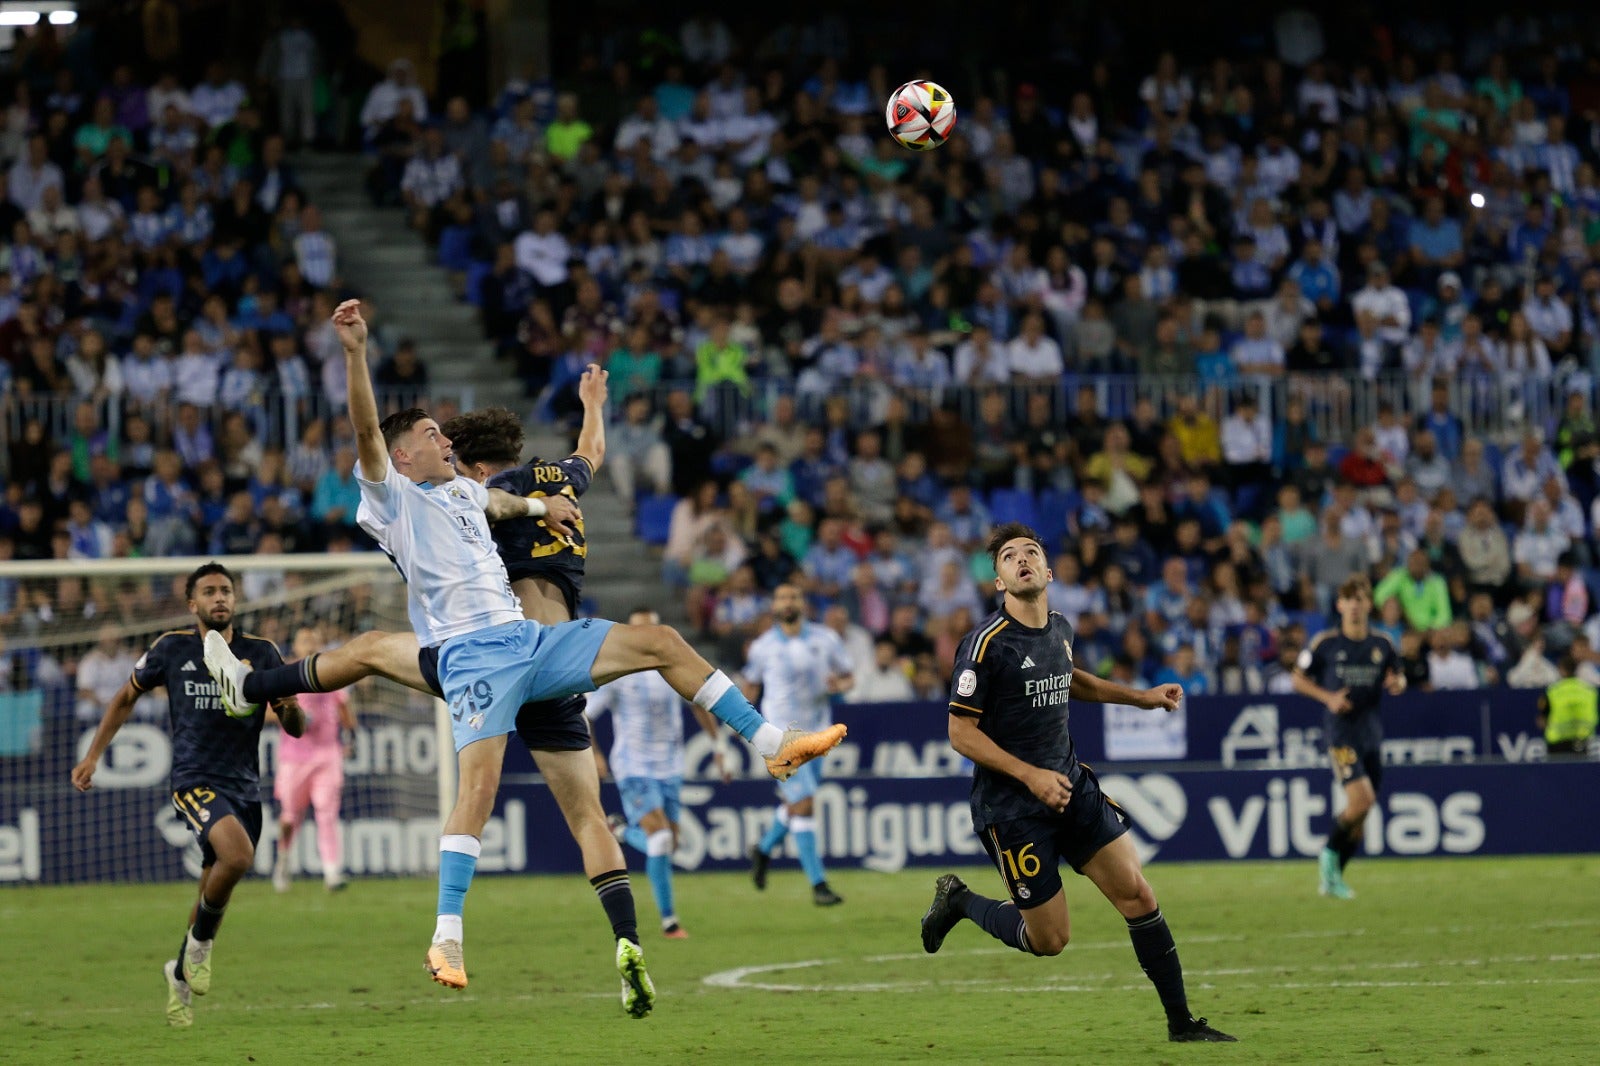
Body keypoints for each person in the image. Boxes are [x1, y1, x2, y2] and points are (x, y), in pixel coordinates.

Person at [204, 301, 843, 1007]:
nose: (441, 438)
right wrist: (356, 354)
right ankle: (447, 935)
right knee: (472, 788)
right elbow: (365, 430)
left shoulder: (468, 494)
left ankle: (771, 742)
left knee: (659, 641)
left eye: (443, 432)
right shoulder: (395, 498)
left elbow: (505, 504)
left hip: (533, 644)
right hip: (472, 657)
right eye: (427, 434)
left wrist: (541, 509)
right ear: (404, 456)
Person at [919, 523, 1234, 1044]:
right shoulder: (984, 645)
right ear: (998, 580)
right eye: (1008, 557)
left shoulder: (1061, 628)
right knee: (1049, 940)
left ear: (1048, 572)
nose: (1020, 560)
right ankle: (958, 901)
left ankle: (1182, 1024)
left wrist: (1141, 697)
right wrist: (1029, 776)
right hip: (1011, 809)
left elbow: (1071, 676)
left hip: (1071, 787)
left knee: (1137, 894)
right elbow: (959, 732)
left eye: (1030, 552)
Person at [72, 563, 304, 1029]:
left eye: (226, 591)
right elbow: (124, 697)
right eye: (209, 592)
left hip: (244, 788)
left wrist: (289, 704)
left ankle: (179, 972)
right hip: (194, 780)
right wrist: (93, 755)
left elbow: (297, 728)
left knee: (211, 891)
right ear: (192, 604)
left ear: (235, 601)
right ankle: (199, 948)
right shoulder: (171, 648)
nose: (220, 598)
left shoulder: (261, 653)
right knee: (237, 858)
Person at [588, 607, 727, 938]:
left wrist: (719, 748)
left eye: (651, 628)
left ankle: (620, 831)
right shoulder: (616, 672)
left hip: (671, 764)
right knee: (661, 838)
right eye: (637, 630)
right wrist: (594, 753)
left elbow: (699, 703)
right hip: (633, 764)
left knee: (670, 843)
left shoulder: (672, 667)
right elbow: (585, 713)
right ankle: (669, 922)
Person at [1291, 574, 1406, 900]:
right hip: (1340, 735)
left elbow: (1398, 676)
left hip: (1371, 735)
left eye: (1361, 599)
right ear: (1340, 604)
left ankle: (1334, 879)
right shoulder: (1324, 643)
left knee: (1362, 814)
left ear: (1369, 604)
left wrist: (1398, 684)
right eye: (1349, 599)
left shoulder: (1382, 644)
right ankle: (1327, 855)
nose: (1355, 606)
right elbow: (1297, 679)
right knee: (1362, 800)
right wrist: (1328, 698)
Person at [744, 583, 855, 906]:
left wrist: (839, 685)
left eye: (793, 596)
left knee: (795, 806)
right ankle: (819, 885)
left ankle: (763, 850)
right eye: (781, 597)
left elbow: (849, 677)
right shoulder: (763, 646)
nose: (787, 602)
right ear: (775, 606)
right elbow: (750, 687)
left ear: (802, 603)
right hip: (779, 736)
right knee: (805, 802)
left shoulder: (825, 639)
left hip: (819, 738)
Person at [270, 627, 355, 894]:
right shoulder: (285, 676)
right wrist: (293, 717)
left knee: (327, 814)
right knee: (289, 818)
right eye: (305, 640)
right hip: (294, 758)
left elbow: (344, 709)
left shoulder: (332, 674)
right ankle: (283, 860)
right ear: (294, 646)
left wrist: (350, 735)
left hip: (327, 755)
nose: (311, 644)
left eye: (315, 639)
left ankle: (332, 873)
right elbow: (266, 713)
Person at [1537, 656, 1598, 757]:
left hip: (1557, 744)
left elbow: (1543, 720)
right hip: (1582, 742)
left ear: (1562, 670)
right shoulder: (1590, 691)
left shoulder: (1552, 691)